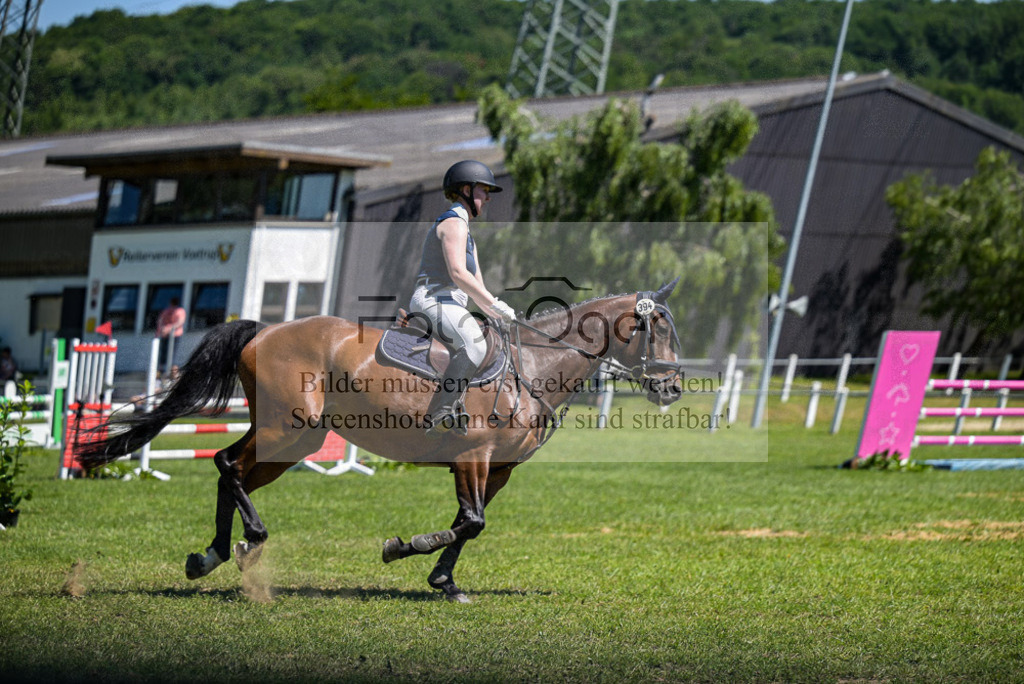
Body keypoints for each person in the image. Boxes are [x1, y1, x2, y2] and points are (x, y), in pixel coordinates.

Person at [410, 160, 516, 437]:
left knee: (490, 337)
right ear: (466, 190)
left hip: (453, 304)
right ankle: (442, 412)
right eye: (484, 190)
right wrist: (494, 304)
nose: (488, 197)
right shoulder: (453, 223)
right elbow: (458, 272)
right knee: (475, 344)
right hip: (433, 299)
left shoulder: (468, 234)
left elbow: (476, 285)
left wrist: (497, 315)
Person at [155, 297, 186, 380]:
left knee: (171, 354)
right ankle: (161, 372)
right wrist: (162, 330)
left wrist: (167, 329)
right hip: (166, 335)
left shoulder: (178, 311)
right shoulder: (169, 311)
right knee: (164, 354)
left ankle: (170, 373)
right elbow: (161, 321)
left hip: (174, 335)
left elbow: (180, 322)